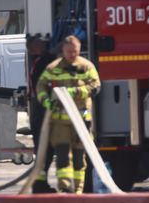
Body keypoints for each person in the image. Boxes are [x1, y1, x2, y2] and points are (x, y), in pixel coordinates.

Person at [35, 36, 101, 193]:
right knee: (63, 157)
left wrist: (76, 91)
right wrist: (47, 102)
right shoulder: (53, 68)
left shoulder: (86, 66)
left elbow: (96, 86)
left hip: (82, 121)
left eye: (75, 51)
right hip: (60, 122)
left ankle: (77, 190)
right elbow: (41, 86)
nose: (72, 54)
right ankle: (65, 189)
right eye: (69, 51)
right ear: (63, 50)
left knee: (79, 159)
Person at [25, 33, 55, 193]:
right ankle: (39, 184)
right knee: (44, 148)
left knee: (45, 149)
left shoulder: (42, 61)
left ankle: (40, 183)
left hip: (41, 110)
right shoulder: (40, 61)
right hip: (41, 110)